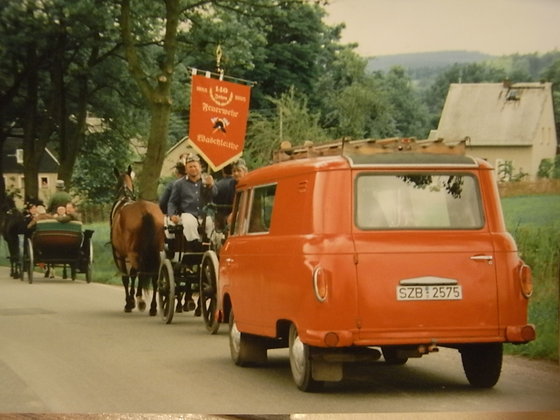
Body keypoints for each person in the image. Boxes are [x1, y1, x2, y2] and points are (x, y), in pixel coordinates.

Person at [167, 153, 218, 248]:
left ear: (200, 168)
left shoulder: (206, 181)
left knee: (210, 223)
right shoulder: (179, 184)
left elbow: (214, 195)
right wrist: (172, 215)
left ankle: (209, 245)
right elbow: (172, 202)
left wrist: (211, 186)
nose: (193, 169)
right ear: (186, 169)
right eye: (190, 167)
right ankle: (194, 245)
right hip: (188, 213)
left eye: (195, 166)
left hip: (204, 214)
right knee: (189, 222)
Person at [214, 158, 248, 230]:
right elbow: (228, 204)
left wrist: (237, 213)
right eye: (234, 171)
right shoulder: (231, 184)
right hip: (232, 216)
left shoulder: (249, 183)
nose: (236, 173)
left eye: (239, 171)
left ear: (245, 172)